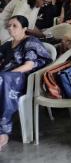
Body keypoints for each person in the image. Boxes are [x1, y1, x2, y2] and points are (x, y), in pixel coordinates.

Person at [0, 15, 52, 149]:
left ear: (24, 28)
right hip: (6, 76)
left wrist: (8, 74)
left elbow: (29, 65)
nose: (10, 28)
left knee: (2, 79)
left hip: (23, 78)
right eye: (9, 26)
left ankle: (3, 132)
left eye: (14, 26)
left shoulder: (30, 41)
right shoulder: (7, 45)